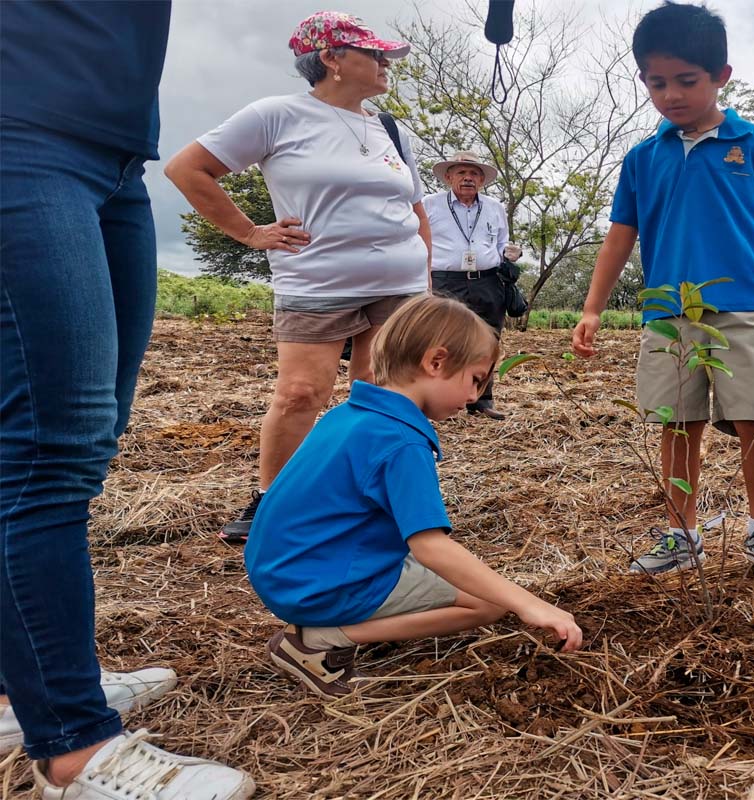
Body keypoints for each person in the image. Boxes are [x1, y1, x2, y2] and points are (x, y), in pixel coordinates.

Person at [0, 2, 254, 797]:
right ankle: (72, 745)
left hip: (114, 156)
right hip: (18, 132)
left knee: (86, 437)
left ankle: (24, 684)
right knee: (50, 447)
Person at [570, 2, 754, 577]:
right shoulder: (642, 159)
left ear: (720, 77)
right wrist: (592, 308)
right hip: (668, 311)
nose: (671, 95)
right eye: (657, 83)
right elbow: (618, 238)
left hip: (747, 303)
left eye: (686, 81)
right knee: (676, 419)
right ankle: (681, 535)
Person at [166, 11, 432, 543]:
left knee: (380, 391)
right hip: (316, 283)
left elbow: (417, 210)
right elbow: (186, 169)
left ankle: (365, 495)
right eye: (373, 53)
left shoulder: (388, 128)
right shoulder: (276, 115)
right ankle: (274, 499)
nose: (385, 64)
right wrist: (249, 233)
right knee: (301, 394)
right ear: (331, 59)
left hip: (399, 286)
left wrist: (424, 281)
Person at [244, 295, 582, 698]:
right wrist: (529, 603)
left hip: (282, 570)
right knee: (487, 603)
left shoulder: (351, 415)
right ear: (436, 362)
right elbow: (430, 547)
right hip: (316, 584)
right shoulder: (401, 441)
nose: (474, 397)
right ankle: (322, 641)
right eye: (475, 380)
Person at [425, 150, 520, 420]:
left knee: (489, 339)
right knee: (442, 340)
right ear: (449, 176)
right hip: (445, 281)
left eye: (474, 173)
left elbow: (502, 243)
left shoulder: (494, 207)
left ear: (482, 180)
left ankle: (481, 399)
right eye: (462, 172)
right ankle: (439, 398)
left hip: (488, 281)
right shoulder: (429, 204)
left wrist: (511, 254)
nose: (468, 178)